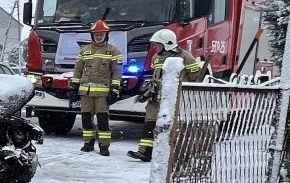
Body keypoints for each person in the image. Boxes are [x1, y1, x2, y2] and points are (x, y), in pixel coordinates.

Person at [128, 28, 205, 162]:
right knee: (149, 124)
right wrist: (145, 93)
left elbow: (195, 77)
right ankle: (145, 152)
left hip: (173, 98)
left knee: (172, 126)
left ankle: (175, 153)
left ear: (167, 44)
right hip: (155, 97)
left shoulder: (185, 57)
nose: (155, 47)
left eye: (158, 44)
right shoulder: (156, 58)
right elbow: (155, 78)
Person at [71, 19, 122, 156]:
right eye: (96, 34)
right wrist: (74, 86)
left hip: (103, 94)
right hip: (85, 92)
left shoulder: (113, 51)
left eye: (101, 34)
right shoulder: (84, 51)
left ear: (106, 35)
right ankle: (88, 143)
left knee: (102, 120)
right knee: (86, 118)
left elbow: (117, 72)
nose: (99, 36)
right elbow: (77, 70)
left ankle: (104, 146)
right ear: (92, 35)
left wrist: (114, 90)